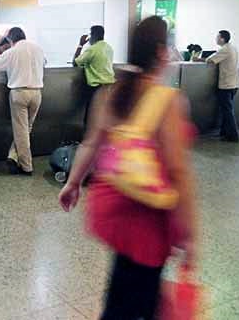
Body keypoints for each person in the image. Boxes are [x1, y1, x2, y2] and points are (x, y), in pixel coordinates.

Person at [59, 16, 198, 320]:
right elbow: (179, 172)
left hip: (119, 208)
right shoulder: (167, 100)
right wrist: (189, 233)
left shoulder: (114, 91)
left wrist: (73, 182)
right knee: (140, 294)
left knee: (125, 288)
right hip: (149, 215)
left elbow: (91, 143)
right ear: (161, 51)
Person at [0, 27, 45, 176]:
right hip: (37, 93)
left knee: (21, 131)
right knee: (26, 128)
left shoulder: (12, 51)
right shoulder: (38, 49)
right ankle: (13, 156)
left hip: (19, 93)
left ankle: (27, 167)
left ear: (11, 40)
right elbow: (44, 63)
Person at [195, 30, 239, 142]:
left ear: (222, 38)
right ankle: (225, 134)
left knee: (227, 111)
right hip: (233, 84)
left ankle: (233, 136)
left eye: (217, 37)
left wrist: (197, 59)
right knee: (226, 111)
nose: (216, 38)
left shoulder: (225, 49)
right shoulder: (233, 48)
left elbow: (210, 60)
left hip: (226, 85)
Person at [73, 25, 115, 126]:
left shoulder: (93, 49)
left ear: (94, 35)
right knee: (103, 117)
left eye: (90, 35)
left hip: (96, 89)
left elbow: (75, 62)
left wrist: (80, 45)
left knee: (90, 120)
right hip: (108, 88)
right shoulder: (109, 48)